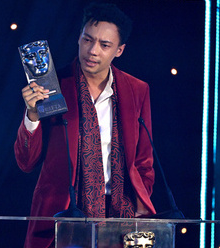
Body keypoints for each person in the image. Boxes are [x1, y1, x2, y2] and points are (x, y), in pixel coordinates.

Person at [14, 3, 156, 247]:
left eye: (104, 45)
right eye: (87, 40)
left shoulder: (136, 90)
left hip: (120, 215)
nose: (93, 51)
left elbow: (144, 161)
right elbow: (26, 162)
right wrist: (32, 115)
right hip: (63, 213)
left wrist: (137, 203)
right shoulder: (52, 86)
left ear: (119, 50)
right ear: (79, 38)